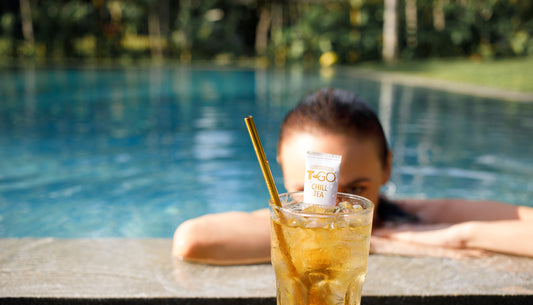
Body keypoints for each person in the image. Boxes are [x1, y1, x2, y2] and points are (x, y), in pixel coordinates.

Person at [172, 88, 533, 265]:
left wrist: (457, 236)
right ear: (281, 166)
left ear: (387, 167)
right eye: (314, 191)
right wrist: (369, 242)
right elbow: (191, 240)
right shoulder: (288, 221)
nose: (338, 207)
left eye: (358, 189)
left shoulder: (422, 216)